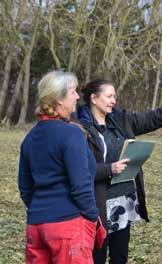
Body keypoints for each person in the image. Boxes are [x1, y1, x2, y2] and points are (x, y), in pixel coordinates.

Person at [77, 79, 162, 264]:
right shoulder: (79, 127)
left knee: (120, 257)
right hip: (98, 204)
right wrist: (109, 169)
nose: (113, 101)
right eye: (109, 96)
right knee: (97, 257)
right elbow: (79, 169)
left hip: (124, 200)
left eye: (115, 96)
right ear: (94, 98)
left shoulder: (120, 120)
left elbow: (152, 118)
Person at [18, 71, 99, 264]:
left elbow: (25, 188)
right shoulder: (71, 134)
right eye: (73, 91)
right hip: (67, 226)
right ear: (59, 99)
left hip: (36, 226)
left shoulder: (29, 138)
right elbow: (81, 185)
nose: (78, 97)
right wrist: (93, 218)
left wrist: (42, 210)